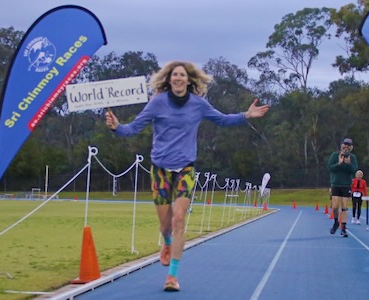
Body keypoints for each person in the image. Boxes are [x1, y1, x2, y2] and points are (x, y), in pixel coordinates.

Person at [105, 61, 270, 292]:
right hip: (160, 169)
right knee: (165, 225)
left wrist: (246, 115)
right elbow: (131, 129)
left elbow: (222, 119)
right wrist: (116, 127)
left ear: (189, 80)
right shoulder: (157, 103)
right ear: (169, 80)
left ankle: (172, 276)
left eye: (182, 75)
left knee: (179, 219)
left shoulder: (198, 104)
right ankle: (168, 242)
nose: (178, 78)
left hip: (185, 169)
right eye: (175, 75)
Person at [327, 138, 358, 237]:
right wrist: (339, 163)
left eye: (348, 145)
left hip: (346, 185)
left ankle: (343, 228)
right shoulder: (335, 155)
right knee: (335, 206)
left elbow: (354, 171)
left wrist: (348, 164)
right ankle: (336, 222)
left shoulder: (352, 157)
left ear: (351, 147)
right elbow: (330, 168)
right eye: (345, 145)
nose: (346, 147)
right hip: (335, 184)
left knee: (344, 207)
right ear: (341, 146)